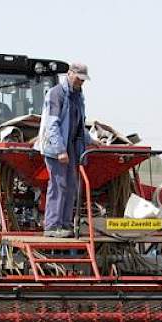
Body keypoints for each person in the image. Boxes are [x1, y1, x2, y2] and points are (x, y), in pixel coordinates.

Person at [34, 62, 97, 238]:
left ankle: (66, 224)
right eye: (79, 78)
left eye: (84, 80)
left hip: (71, 146)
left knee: (72, 186)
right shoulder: (56, 94)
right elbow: (52, 124)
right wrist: (60, 150)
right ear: (69, 74)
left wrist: (91, 140)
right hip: (56, 146)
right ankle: (52, 226)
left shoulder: (78, 96)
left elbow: (78, 124)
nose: (81, 82)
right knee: (58, 184)